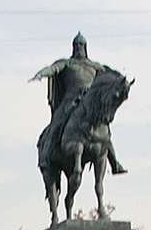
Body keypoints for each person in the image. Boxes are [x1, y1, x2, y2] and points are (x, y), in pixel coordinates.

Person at [32, 31, 128, 175]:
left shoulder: (94, 66)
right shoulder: (67, 63)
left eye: (81, 45)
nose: (79, 48)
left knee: (104, 129)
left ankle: (114, 163)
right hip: (68, 102)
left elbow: (111, 74)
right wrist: (41, 74)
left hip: (89, 103)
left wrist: (122, 81)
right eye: (77, 45)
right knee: (57, 124)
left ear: (86, 47)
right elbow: (53, 69)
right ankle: (47, 154)